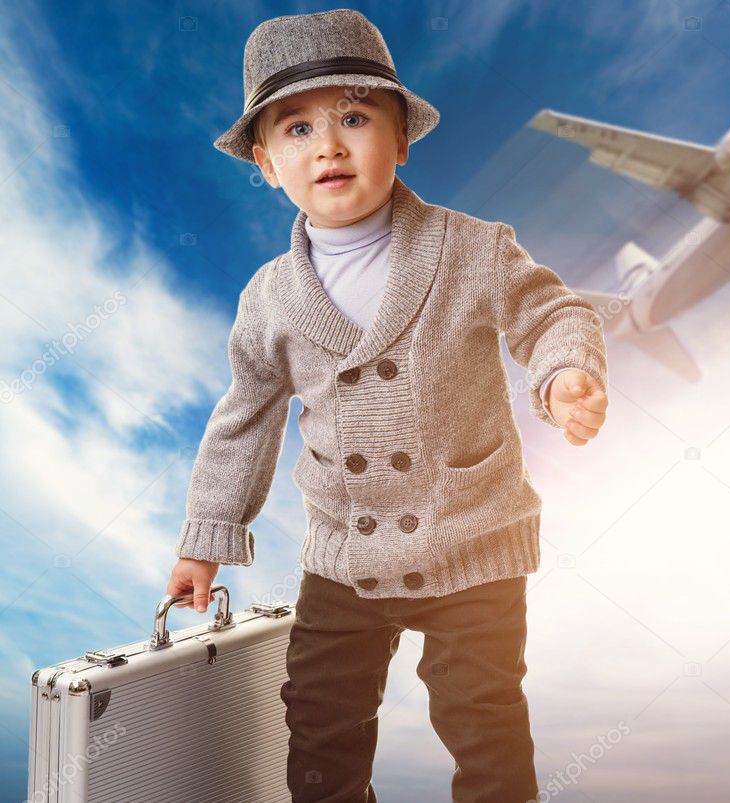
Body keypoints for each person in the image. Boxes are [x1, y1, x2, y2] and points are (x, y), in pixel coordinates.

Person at [165, 8, 609, 802]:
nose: (328, 145)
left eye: (354, 117)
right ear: (266, 163)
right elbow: (245, 417)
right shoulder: (270, 297)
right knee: (319, 719)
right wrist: (207, 538)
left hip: (472, 537)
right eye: (297, 129)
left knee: (484, 719)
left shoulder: (472, 247)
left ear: (401, 137)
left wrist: (562, 373)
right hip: (346, 553)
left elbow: (551, 312)